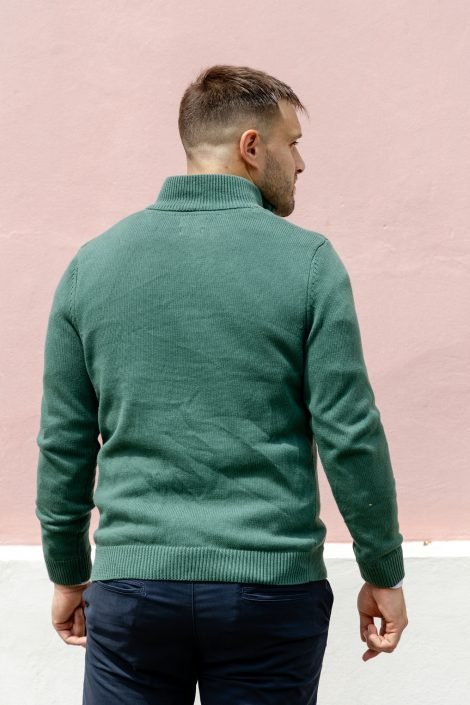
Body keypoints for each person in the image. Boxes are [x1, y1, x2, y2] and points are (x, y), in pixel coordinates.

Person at [35, 64, 408, 705]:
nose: (300, 163)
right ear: (251, 146)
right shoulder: (309, 263)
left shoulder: (91, 265)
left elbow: (64, 441)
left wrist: (69, 573)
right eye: (293, 144)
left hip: (134, 587)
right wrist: (382, 570)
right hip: (269, 589)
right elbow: (349, 433)